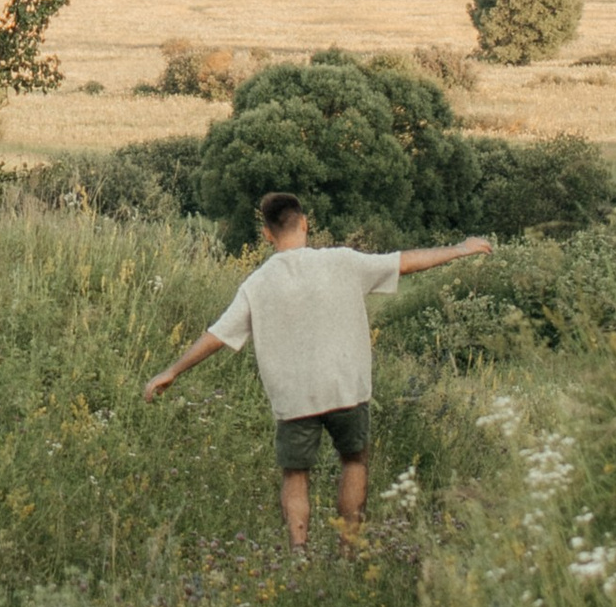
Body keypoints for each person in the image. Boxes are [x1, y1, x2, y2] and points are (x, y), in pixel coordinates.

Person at [143, 189, 491, 554]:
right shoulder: (343, 261)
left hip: (294, 397)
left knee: (295, 474)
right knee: (354, 461)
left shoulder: (257, 284)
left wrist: (172, 371)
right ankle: (348, 549)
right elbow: (404, 261)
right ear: (305, 223)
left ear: (266, 233)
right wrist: (460, 248)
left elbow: (217, 335)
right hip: (346, 388)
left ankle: (298, 553)